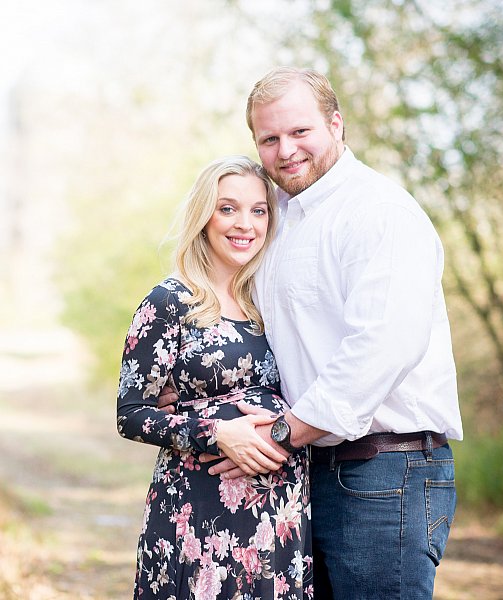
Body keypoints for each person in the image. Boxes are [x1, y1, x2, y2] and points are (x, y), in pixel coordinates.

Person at [160, 67, 463, 599]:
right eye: (269, 138)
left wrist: (280, 434)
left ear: (336, 125)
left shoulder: (379, 213)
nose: (286, 150)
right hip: (300, 475)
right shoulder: (278, 217)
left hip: (383, 472)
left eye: (300, 132)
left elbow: (383, 347)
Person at [117, 155, 313, 600]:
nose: (245, 223)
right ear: (203, 216)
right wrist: (217, 433)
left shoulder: (270, 299)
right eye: (228, 208)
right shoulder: (170, 302)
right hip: (198, 512)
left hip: (279, 518)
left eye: (258, 210)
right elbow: (131, 414)